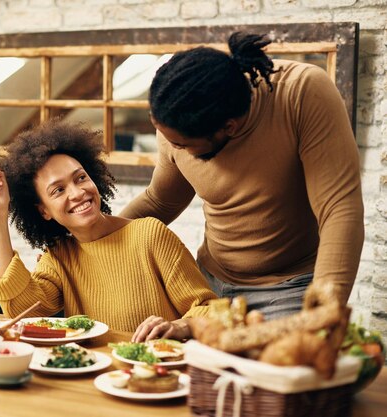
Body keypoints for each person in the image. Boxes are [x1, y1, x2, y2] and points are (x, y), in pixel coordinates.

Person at [120, 32, 364, 319]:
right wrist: (87, 239)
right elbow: (161, 201)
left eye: (183, 145)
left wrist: (323, 313)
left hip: (288, 291)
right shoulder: (176, 115)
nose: (173, 146)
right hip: (209, 286)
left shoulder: (301, 92)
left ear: (230, 128)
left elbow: (339, 209)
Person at [0, 119, 217, 342]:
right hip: (91, 378)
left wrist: (178, 327)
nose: (78, 192)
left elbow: (208, 308)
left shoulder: (150, 235)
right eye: (58, 190)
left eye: (80, 178)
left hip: (153, 374)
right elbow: (20, 309)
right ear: (43, 211)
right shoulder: (60, 256)